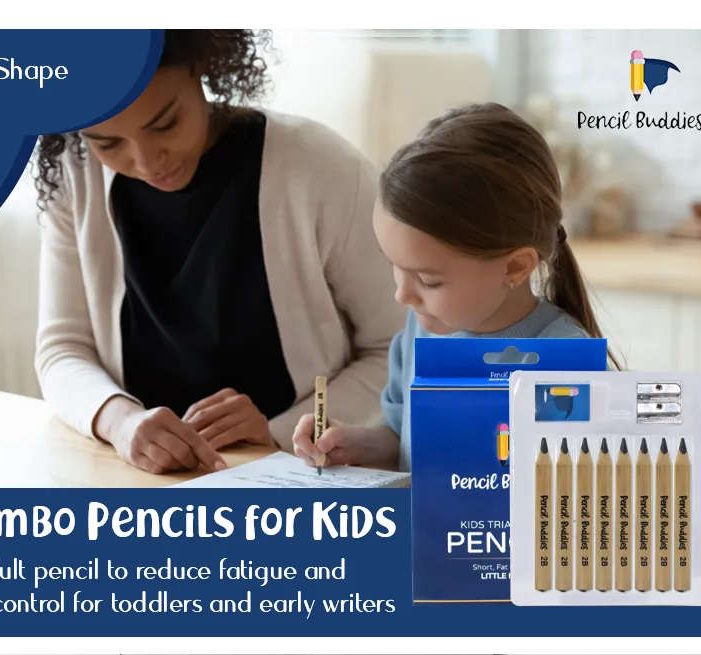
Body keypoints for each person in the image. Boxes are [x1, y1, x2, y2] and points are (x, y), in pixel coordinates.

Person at [34, 29, 395, 475]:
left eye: (165, 124)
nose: (146, 162)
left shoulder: (322, 169)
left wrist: (283, 433)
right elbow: (63, 348)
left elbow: (396, 350)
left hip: (295, 472)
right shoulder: (73, 173)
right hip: (142, 475)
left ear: (202, 65)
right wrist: (121, 422)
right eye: (107, 143)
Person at [295, 102, 606, 474]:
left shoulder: (566, 360)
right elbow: (405, 441)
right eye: (395, 266)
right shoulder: (419, 331)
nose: (402, 295)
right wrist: (351, 443)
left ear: (514, 267)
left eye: (428, 280)